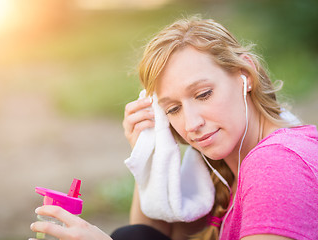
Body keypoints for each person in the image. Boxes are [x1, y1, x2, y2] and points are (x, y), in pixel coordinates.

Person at [30, 16, 318, 240]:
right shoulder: (218, 173)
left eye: (204, 94)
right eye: (173, 109)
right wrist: (150, 148)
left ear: (245, 75)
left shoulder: (277, 163)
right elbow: (144, 234)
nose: (192, 124)